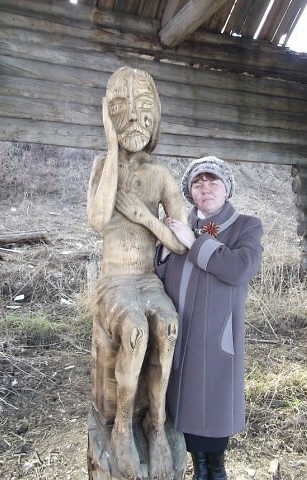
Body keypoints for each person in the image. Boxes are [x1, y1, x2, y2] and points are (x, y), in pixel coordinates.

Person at [87, 66, 187, 480]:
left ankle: (155, 423)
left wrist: (147, 218)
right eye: (122, 109)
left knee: (166, 326)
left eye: (143, 108)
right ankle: (124, 425)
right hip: (113, 280)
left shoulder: (161, 174)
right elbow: (97, 218)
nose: (133, 119)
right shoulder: (102, 164)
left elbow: (181, 242)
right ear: (109, 114)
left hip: (147, 277)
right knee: (134, 330)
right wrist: (112, 149)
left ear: (156, 115)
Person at [155, 156, 263, 480]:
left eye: (213, 180)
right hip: (181, 331)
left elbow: (241, 268)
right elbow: (161, 273)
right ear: (190, 192)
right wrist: (165, 248)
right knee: (185, 401)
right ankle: (198, 467)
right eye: (198, 183)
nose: (206, 187)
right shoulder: (177, 224)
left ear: (226, 188)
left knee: (213, 403)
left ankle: (216, 468)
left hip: (218, 335)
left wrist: (194, 242)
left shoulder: (246, 225)